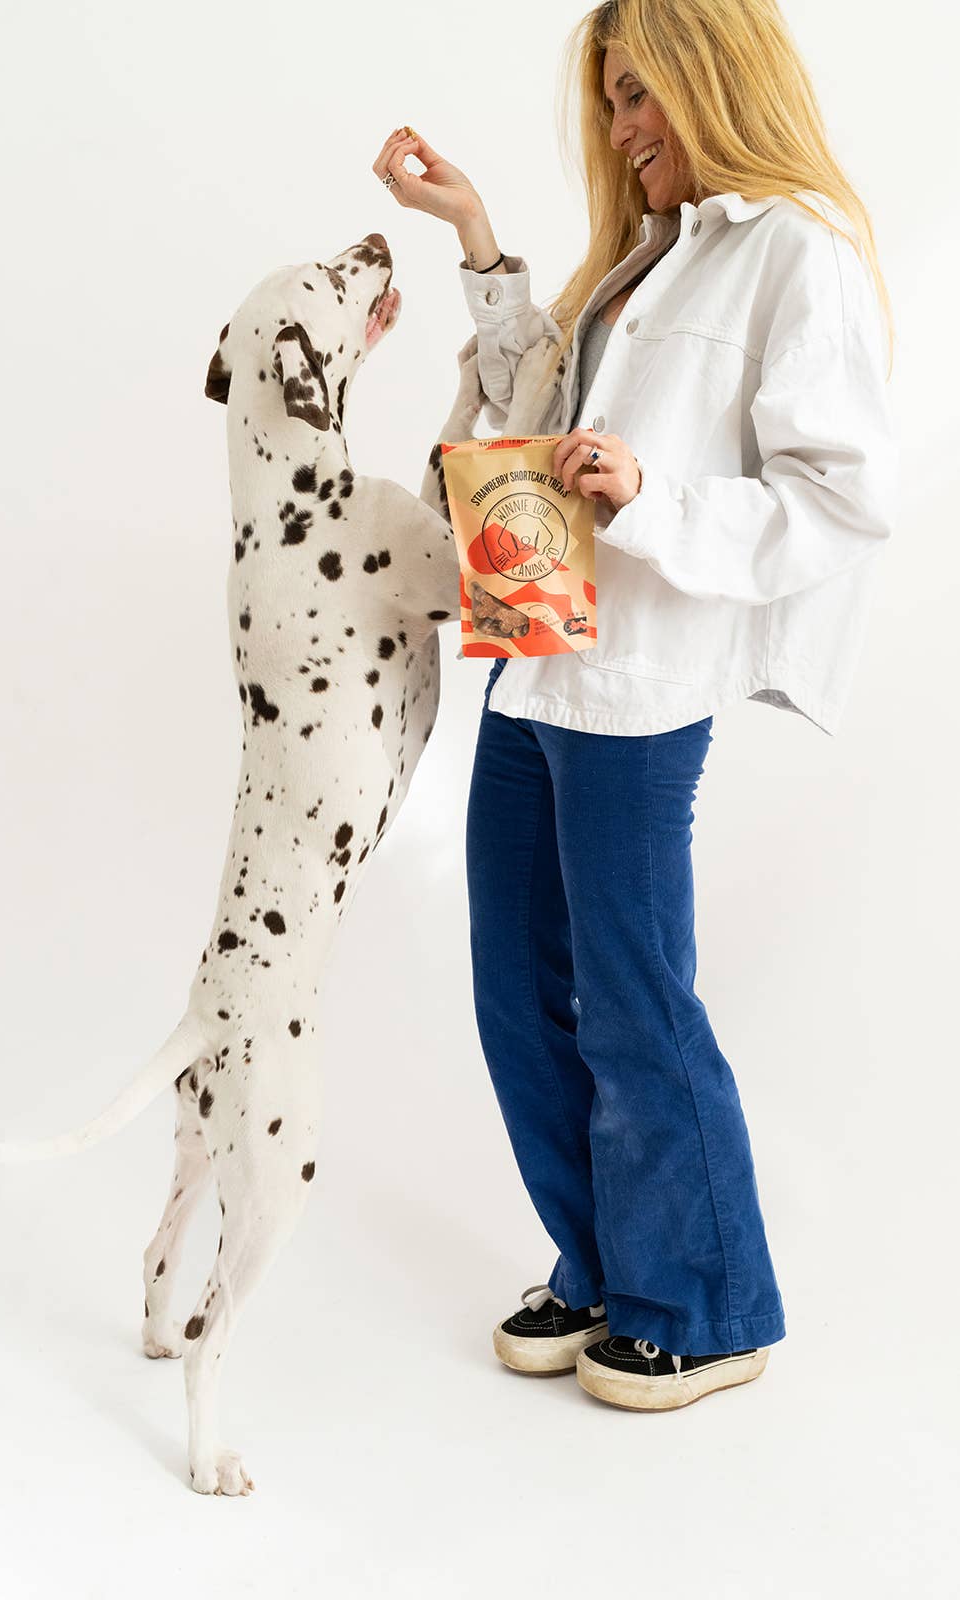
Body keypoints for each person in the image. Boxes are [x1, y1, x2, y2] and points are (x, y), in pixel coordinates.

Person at [370, 0, 896, 1411]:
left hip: (640, 688)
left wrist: (651, 498)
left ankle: (710, 1303)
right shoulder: (640, 262)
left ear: (721, 84)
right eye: (612, 102)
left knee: (632, 999)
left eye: (647, 97)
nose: (626, 131)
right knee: (516, 989)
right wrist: (477, 234)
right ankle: (606, 1264)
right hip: (534, 659)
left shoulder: (795, 252)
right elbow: (530, 393)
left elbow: (844, 497)